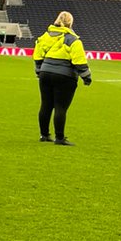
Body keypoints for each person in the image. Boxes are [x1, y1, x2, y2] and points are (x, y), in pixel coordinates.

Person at [33, 9, 92, 146]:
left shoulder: (46, 36)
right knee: (60, 107)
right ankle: (59, 138)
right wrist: (86, 77)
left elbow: (37, 55)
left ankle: (44, 135)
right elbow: (79, 61)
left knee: (46, 105)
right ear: (70, 23)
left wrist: (39, 71)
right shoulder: (73, 40)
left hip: (45, 73)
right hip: (64, 75)